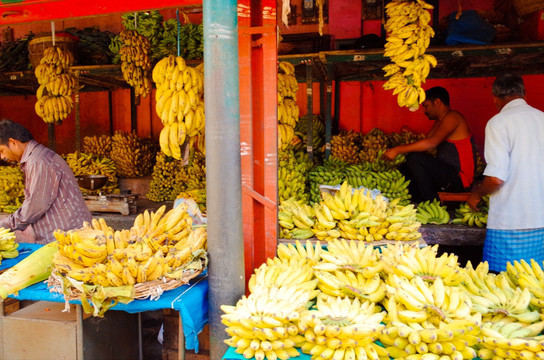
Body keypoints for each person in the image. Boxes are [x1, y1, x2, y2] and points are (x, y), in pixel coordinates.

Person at [468, 74, 544, 272]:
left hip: (511, 221)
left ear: (494, 97)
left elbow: (496, 177)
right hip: (540, 218)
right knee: (535, 285)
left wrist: (476, 194)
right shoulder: (542, 118)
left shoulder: (498, 123)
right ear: (524, 94)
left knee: (502, 285)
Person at [0, 119, 92, 244]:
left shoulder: (38, 161)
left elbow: (35, 207)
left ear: (13, 143)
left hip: (68, 237)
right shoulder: (37, 158)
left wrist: (4, 225)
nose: (2, 157)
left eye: (1, 151)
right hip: (63, 235)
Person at [383, 86, 477, 202]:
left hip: (460, 179)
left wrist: (397, 150)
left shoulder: (453, 117)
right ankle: (414, 201)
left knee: (415, 159)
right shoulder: (440, 121)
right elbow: (426, 143)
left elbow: (431, 143)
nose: (424, 111)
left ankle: (431, 203)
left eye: (426, 106)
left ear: (437, 102)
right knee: (407, 164)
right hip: (448, 175)